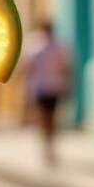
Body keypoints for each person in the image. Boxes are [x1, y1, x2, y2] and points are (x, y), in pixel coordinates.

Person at [24, 21, 70, 166]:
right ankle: (49, 147)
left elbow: (28, 68)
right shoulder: (58, 46)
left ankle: (47, 147)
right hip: (53, 86)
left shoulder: (35, 45)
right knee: (51, 118)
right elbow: (66, 68)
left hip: (42, 87)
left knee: (44, 118)